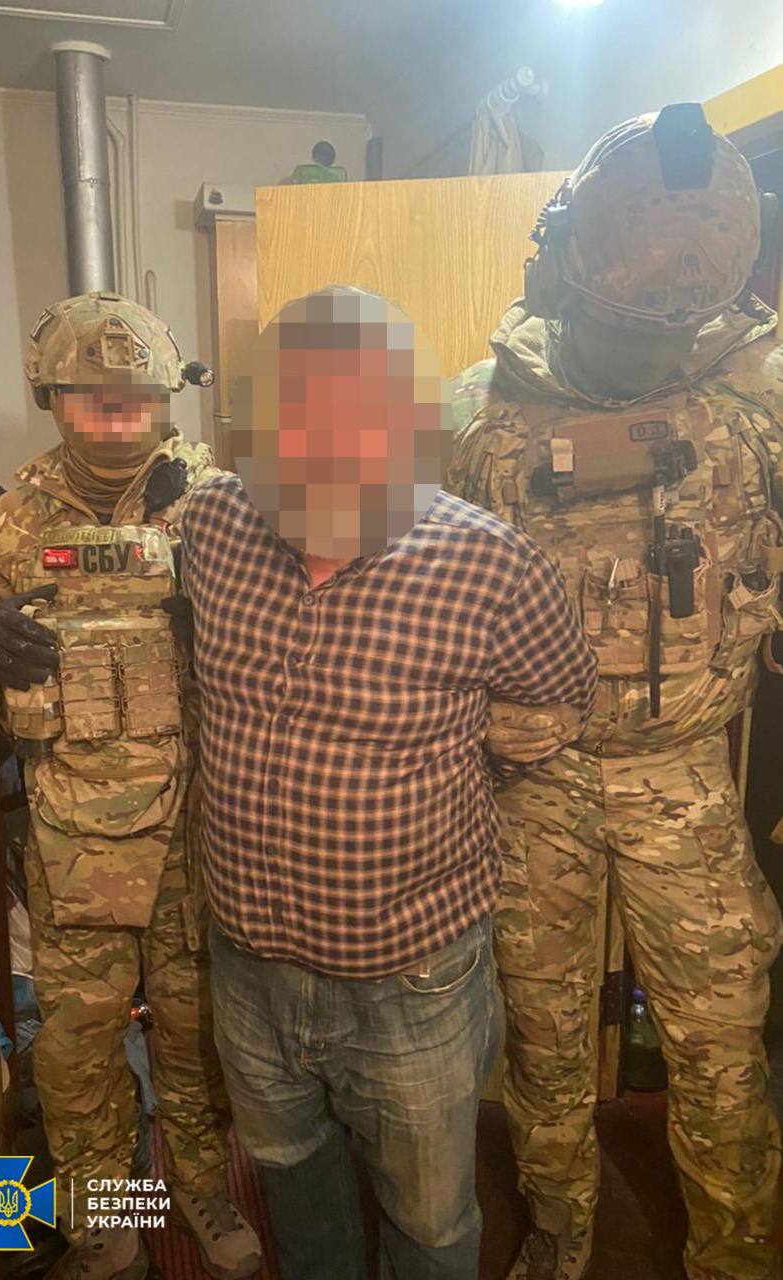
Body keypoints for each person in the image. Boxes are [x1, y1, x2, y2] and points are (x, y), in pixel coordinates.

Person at [179, 285, 598, 1280]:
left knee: (429, 1217)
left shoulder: (489, 563)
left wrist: (448, 762)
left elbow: (557, 700)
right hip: (248, 961)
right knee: (290, 1174)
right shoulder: (210, 523)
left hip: (411, 978)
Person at [445, 104, 783, 1280]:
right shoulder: (478, 409)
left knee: (720, 1034)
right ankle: (559, 1228)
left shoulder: (759, 403)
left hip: (683, 771)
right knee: (539, 1028)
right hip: (529, 774)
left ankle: (737, 1251)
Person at [0, 292, 262, 1280]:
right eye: (92, 402)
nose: (117, 424)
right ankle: (108, 1216)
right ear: (51, 400)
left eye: (136, 402)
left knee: (198, 1036)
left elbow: (294, 632)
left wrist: (212, 582)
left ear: (167, 400)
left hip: (198, 836)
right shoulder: (19, 515)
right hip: (74, 840)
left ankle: (199, 1189)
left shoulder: (214, 498)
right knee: (76, 1048)